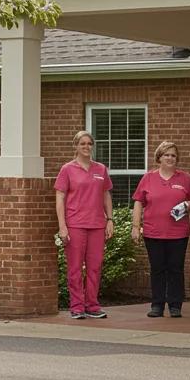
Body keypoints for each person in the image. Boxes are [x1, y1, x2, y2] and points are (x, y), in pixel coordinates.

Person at [131, 141, 190, 318]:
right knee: (157, 269)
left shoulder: (185, 178)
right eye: (166, 155)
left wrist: (186, 205)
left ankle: (175, 306)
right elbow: (138, 202)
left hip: (178, 233)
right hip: (153, 233)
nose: (170, 158)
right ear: (159, 157)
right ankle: (157, 305)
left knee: (176, 269)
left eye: (173, 155)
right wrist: (135, 227)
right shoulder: (148, 178)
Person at [55, 130, 114, 320]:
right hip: (75, 224)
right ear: (76, 146)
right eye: (83, 144)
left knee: (95, 267)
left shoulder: (101, 169)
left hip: (97, 224)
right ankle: (77, 306)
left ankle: (92, 306)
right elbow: (60, 197)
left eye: (89, 144)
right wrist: (62, 226)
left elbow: (106, 195)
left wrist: (110, 220)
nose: (87, 147)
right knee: (74, 268)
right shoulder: (67, 169)